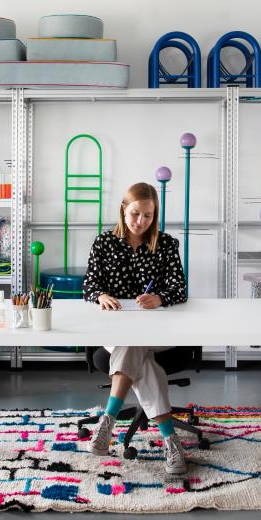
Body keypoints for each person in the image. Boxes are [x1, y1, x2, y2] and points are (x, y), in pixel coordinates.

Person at [81, 182, 188, 474]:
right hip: (116, 333)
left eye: (149, 216)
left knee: (136, 344)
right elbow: (89, 285)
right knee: (135, 348)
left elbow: (180, 288)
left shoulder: (166, 245)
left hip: (158, 332)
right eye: (135, 214)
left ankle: (108, 421)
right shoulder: (104, 243)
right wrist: (100, 295)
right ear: (123, 210)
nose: (141, 222)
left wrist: (161, 297)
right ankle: (170, 440)